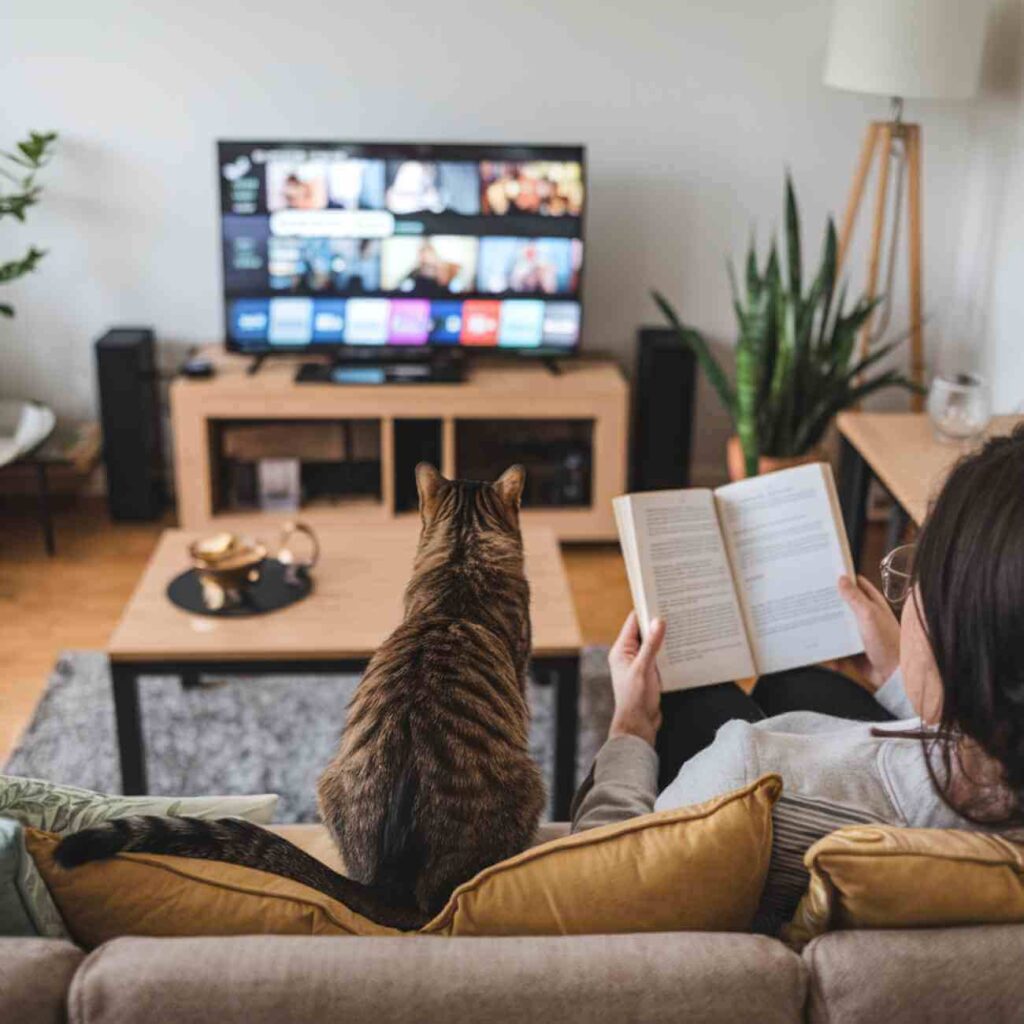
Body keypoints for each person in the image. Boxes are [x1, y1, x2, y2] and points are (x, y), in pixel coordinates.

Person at [573, 426, 1024, 933]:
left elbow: (599, 883)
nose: (909, 597)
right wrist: (903, 676)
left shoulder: (745, 778)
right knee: (790, 685)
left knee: (693, 699)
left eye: (922, 578)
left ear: (968, 636)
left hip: (775, 818)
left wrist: (629, 729)